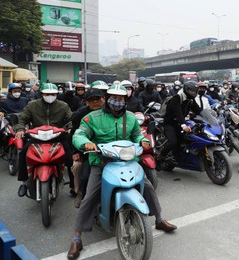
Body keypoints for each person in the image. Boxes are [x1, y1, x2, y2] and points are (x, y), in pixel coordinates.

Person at [67, 84, 177, 260]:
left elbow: (137, 135)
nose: (117, 101)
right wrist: (85, 143)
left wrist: (143, 141)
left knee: (148, 186)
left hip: (127, 161)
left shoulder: (131, 118)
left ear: (125, 100)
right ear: (107, 98)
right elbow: (79, 134)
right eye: (113, 97)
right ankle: (77, 237)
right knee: (89, 197)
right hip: (102, 162)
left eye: (120, 98)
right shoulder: (92, 118)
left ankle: (158, 219)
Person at [16, 83, 73, 196]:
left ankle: (74, 185)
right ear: (42, 94)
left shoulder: (63, 106)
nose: (50, 96)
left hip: (58, 137)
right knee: (23, 153)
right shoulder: (32, 105)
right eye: (47, 94)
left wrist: (71, 127)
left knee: (70, 158)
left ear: (57, 94)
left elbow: (70, 118)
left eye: (53, 94)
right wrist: (20, 129)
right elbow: (22, 117)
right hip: (36, 137)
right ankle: (23, 182)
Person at [70, 88, 106, 208]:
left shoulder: (111, 112)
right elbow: (76, 134)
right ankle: (80, 193)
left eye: (97, 99)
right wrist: (77, 151)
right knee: (85, 175)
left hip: (112, 151)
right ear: (86, 102)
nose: (95, 102)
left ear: (104, 99)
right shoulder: (81, 114)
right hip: (89, 152)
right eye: (91, 99)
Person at [156, 81, 202, 168]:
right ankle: (160, 157)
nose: (193, 93)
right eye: (191, 91)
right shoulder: (177, 98)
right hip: (170, 123)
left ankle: (178, 156)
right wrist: (183, 125)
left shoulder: (191, 100)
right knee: (173, 142)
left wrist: (210, 115)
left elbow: (198, 110)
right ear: (186, 90)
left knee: (188, 139)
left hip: (180, 123)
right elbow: (178, 113)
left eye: (195, 91)